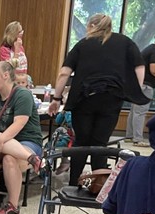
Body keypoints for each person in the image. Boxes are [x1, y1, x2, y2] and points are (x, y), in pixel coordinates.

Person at [48, 13, 147, 187]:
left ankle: (73, 184)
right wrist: (133, 91)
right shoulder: (125, 42)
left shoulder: (83, 44)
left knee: (81, 141)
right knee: (100, 142)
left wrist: (56, 98)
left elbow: (64, 73)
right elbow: (139, 66)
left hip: (84, 99)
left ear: (91, 26)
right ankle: (98, 185)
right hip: (112, 98)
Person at [0, 60, 43, 214]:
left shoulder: (22, 94)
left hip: (27, 141)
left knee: (9, 159)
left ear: (5, 75)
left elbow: (20, 123)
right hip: (1, 144)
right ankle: (33, 159)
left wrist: (1, 139)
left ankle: (12, 205)